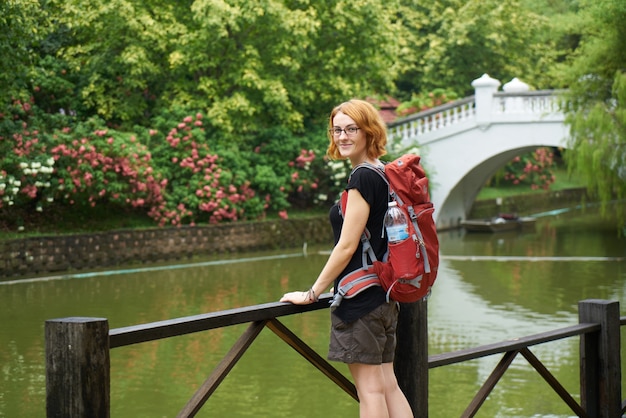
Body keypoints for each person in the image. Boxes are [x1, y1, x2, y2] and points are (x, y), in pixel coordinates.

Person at [280, 99, 413, 418]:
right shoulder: (384, 173)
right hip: (383, 296)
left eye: (351, 129)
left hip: (359, 299)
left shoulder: (363, 178)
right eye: (337, 129)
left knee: (370, 391)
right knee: (387, 385)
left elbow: (346, 245)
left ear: (369, 131)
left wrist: (312, 293)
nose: (342, 136)